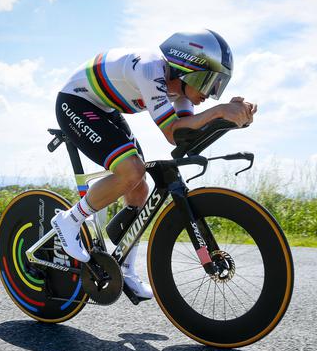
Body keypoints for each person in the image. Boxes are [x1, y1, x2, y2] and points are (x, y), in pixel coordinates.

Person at [51, 29, 257, 301]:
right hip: (76, 103)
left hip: (105, 110)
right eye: (209, 82)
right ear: (189, 70)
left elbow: (186, 137)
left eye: (217, 85)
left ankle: (124, 268)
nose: (212, 93)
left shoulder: (181, 93)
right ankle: (69, 220)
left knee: (139, 189)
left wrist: (231, 119)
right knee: (132, 171)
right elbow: (172, 131)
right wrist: (219, 112)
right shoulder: (150, 69)